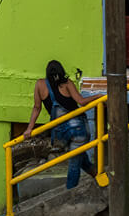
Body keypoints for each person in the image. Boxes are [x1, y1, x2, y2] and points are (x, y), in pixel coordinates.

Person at [23, 60, 95, 189]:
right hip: (78, 129)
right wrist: (98, 96)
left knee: (79, 158)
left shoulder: (40, 84)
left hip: (61, 132)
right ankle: (70, 192)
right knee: (74, 162)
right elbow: (81, 102)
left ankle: (98, 175)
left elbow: (36, 107)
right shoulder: (67, 84)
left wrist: (29, 129)